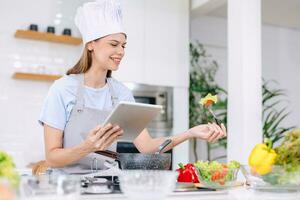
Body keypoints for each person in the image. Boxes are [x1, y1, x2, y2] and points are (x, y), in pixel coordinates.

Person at [39, 0, 226, 171]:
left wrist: (191, 133)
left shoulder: (121, 93)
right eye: (114, 44)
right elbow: (52, 157)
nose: (120, 51)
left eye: (123, 45)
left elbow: (148, 147)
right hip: (67, 187)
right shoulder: (63, 89)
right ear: (91, 45)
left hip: (107, 184)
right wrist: (87, 147)